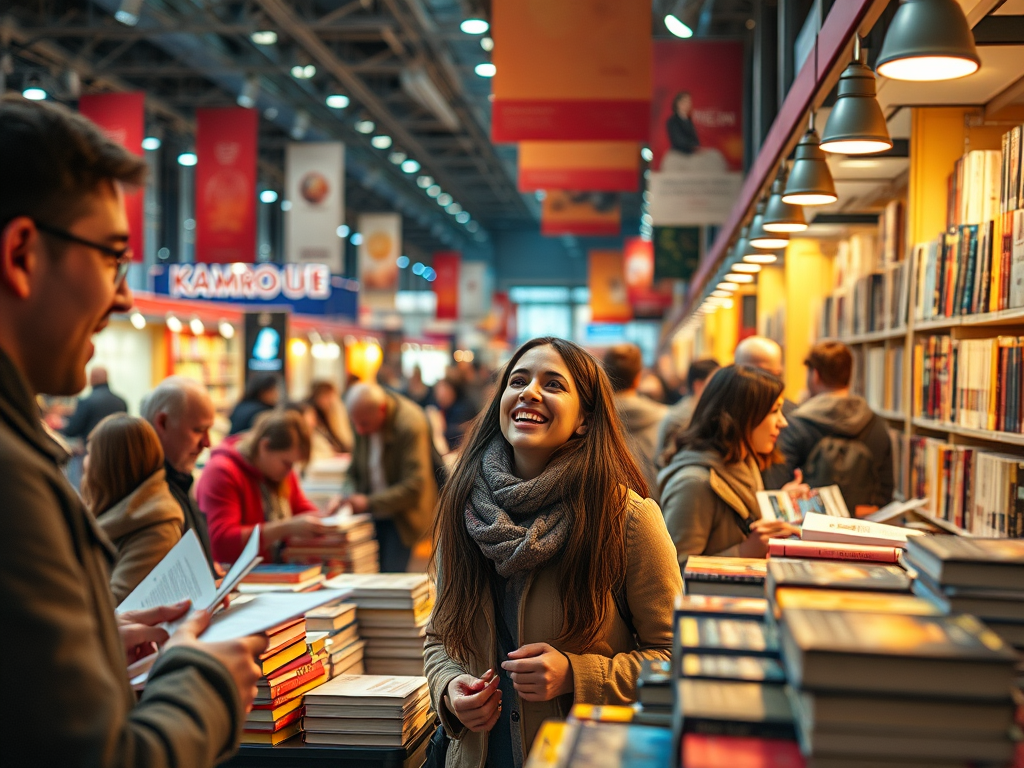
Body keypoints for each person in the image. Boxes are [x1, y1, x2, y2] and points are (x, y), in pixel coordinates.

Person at [0, 94, 264, 764]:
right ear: (22, 254)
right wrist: (204, 683)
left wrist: (91, 638)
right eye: (112, 257)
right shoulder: (13, 479)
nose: (122, 296)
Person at [424, 337, 681, 767]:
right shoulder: (464, 508)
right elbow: (439, 637)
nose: (529, 392)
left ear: (584, 420)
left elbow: (675, 658)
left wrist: (576, 675)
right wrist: (450, 690)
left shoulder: (627, 519)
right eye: (518, 381)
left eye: (554, 384)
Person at [658, 365, 803, 569]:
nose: (783, 422)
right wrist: (743, 552)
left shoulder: (744, 462)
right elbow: (674, 572)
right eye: (773, 411)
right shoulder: (693, 484)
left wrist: (780, 502)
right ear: (742, 414)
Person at [766, 341, 894, 509]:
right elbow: (886, 491)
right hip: (865, 522)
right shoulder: (875, 424)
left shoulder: (795, 425)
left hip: (807, 521)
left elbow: (777, 485)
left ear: (815, 375)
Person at [197, 408, 330, 563]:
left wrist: (327, 518)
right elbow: (223, 543)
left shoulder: (279, 471)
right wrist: (285, 528)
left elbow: (301, 509)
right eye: (286, 463)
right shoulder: (221, 472)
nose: (290, 471)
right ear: (264, 446)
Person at [83, 413, 183, 603]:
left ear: (106, 466)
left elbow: (115, 603)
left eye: (90, 453)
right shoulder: (107, 511)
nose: (84, 463)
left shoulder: (158, 529)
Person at [344, 383, 438, 572]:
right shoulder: (362, 417)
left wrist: (368, 502)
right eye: (355, 423)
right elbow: (353, 470)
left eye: (364, 424)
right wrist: (345, 497)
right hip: (370, 515)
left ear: (381, 410)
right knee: (366, 574)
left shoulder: (410, 424)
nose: (359, 430)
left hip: (403, 517)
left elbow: (414, 485)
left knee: (390, 576)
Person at [141, 375, 217, 569]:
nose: (207, 443)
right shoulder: (146, 491)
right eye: (198, 430)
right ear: (162, 423)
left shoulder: (177, 479)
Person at [602, 343, 667, 501]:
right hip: (655, 506)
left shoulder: (588, 419)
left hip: (606, 506)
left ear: (604, 377)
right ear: (638, 378)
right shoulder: (665, 418)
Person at [657, 358, 720, 462]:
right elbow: (666, 460)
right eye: (716, 382)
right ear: (698, 385)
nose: (721, 387)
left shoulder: (701, 411)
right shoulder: (683, 418)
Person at [60, 364, 128, 441]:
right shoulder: (121, 402)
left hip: (93, 446)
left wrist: (61, 423)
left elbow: (72, 430)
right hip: (116, 446)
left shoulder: (86, 402)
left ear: (92, 378)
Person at [307, 380, 353, 458]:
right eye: (329, 397)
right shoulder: (311, 413)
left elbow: (343, 439)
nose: (331, 401)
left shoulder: (329, 413)